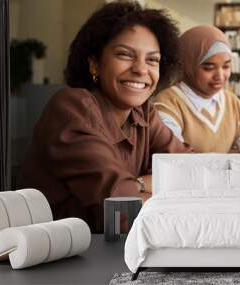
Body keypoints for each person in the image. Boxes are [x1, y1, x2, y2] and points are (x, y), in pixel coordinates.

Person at [20, 1, 191, 233]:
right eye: (124, 55)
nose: (141, 69)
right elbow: (123, 210)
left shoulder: (144, 112)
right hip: (55, 257)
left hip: (113, 250)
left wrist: (139, 187)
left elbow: (191, 170)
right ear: (95, 64)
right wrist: (144, 183)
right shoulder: (71, 108)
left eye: (152, 60)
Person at [153, 25, 240, 153]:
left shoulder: (232, 102)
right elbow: (174, 156)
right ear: (187, 65)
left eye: (226, 66)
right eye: (208, 67)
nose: (220, 76)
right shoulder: (167, 103)